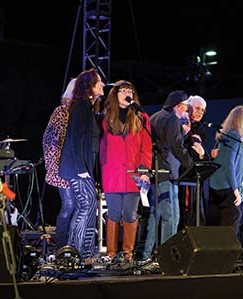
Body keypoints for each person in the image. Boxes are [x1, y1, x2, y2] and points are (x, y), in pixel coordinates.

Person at [141, 90, 205, 260]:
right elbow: (176, 146)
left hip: (158, 172)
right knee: (171, 218)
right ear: (178, 106)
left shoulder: (156, 117)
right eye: (185, 108)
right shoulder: (172, 119)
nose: (186, 112)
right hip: (168, 173)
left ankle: (146, 255)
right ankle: (167, 258)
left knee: (155, 217)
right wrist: (192, 166)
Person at [99, 80, 152, 262]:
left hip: (133, 174)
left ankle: (127, 255)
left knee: (130, 213)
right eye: (122, 90)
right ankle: (111, 254)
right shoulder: (105, 117)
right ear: (115, 94)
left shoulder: (141, 117)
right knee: (114, 213)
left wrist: (144, 171)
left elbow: (146, 147)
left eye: (130, 90)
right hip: (112, 174)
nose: (126, 93)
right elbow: (101, 148)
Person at [58, 68, 105, 263]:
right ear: (90, 86)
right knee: (86, 205)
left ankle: (81, 252)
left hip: (82, 168)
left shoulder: (89, 108)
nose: (103, 84)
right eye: (99, 81)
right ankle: (76, 252)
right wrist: (81, 169)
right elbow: (74, 140)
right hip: (77, 169)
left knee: (87, 205)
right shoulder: (81, 107)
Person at [42, 78, 76, 250]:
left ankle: (73, 245)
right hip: (63, 167)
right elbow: (53, 139)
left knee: (77, 206)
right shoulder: (62, 111)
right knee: (69, 204)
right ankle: (62, 247)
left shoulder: (82, 112)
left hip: (75, 166)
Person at [208, 105, 243, 233]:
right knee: (233, 219)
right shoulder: (234, 136)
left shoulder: (226, 136)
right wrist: (236, 190)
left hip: (219, 185)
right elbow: (229, 164)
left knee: (227, 221)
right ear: (242, 119)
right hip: (227, 187)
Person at [179, 95, 210, 228]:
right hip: (179, 174)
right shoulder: (178, 124)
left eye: (202, 110)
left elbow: (201, 156)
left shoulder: (200, 130)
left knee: (197, 211)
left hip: (194, 176)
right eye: (197, 108)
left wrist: (202, 154)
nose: (200, 112)